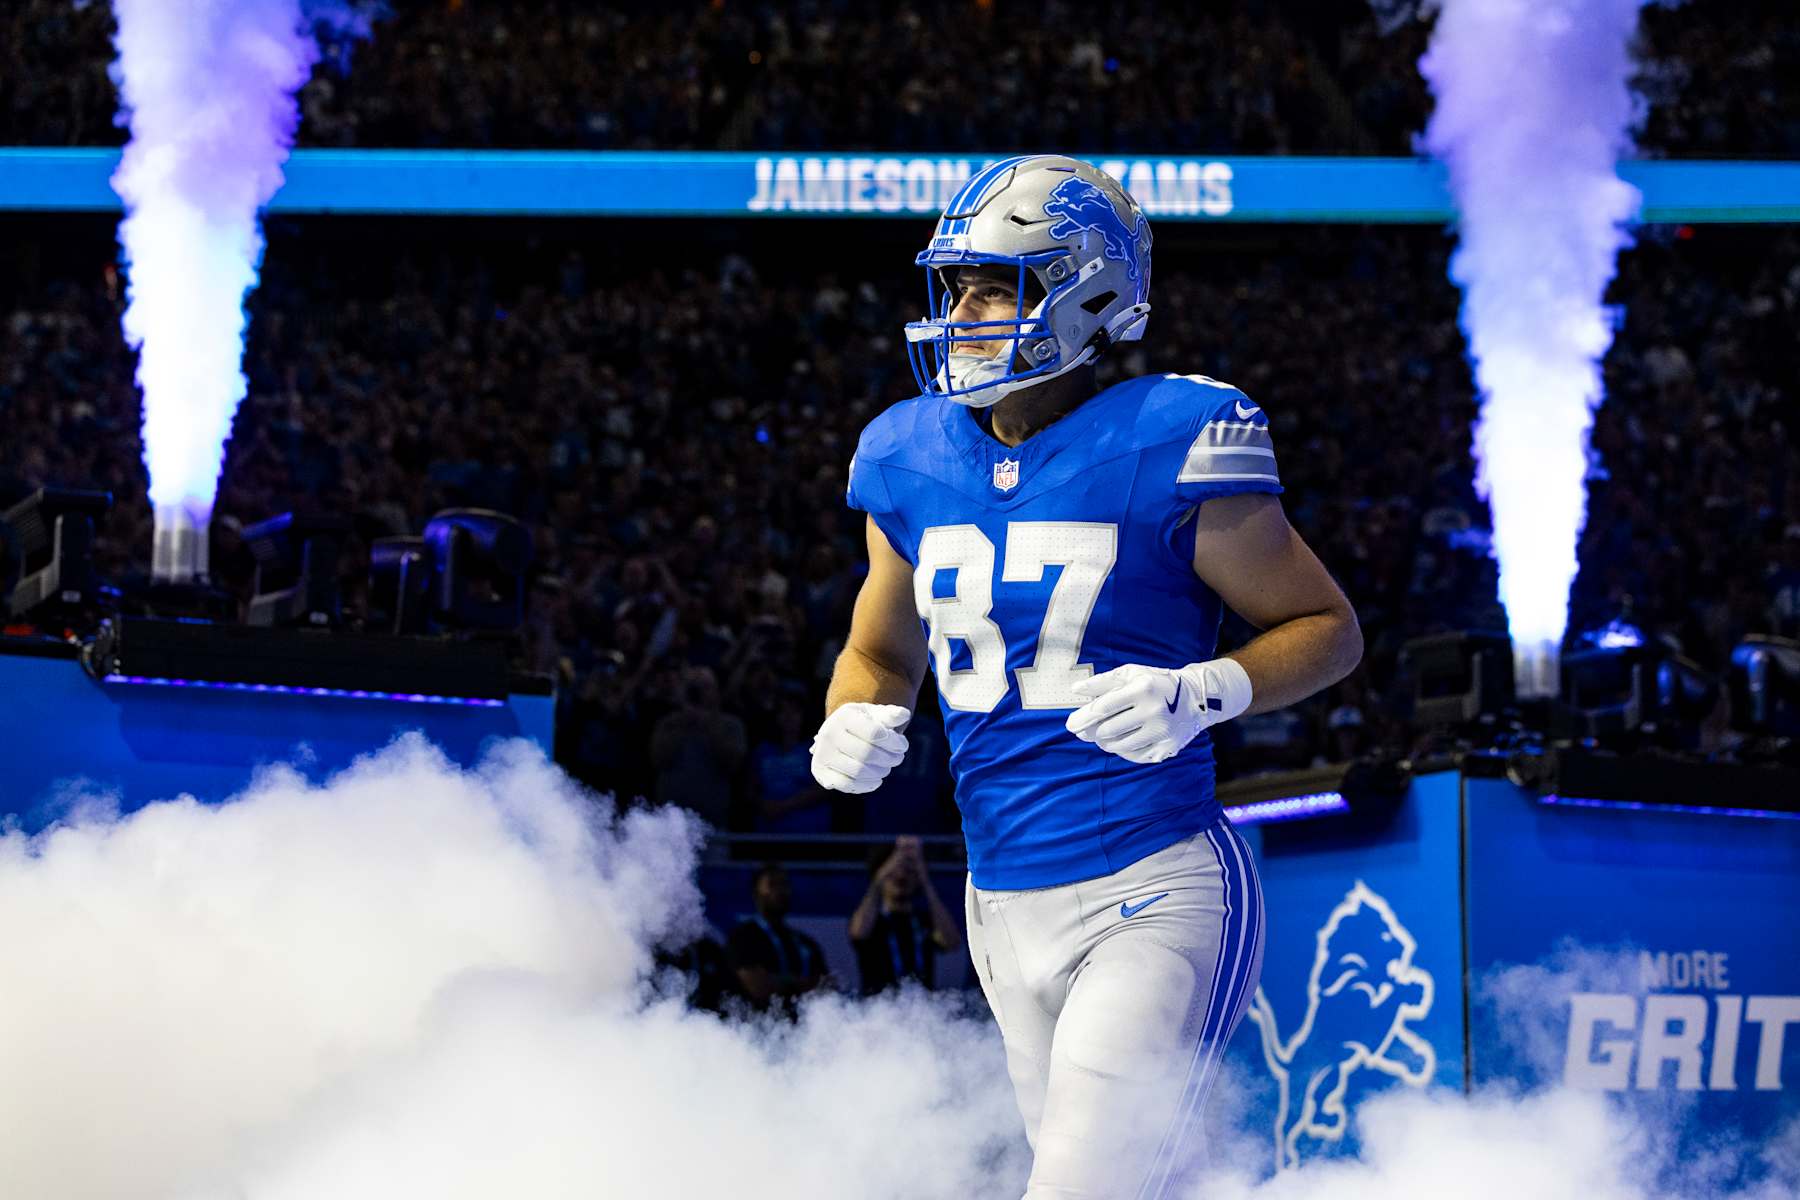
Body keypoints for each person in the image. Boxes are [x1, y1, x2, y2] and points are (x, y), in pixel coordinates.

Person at [809, 155, 1362, 1198]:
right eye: (958, 284)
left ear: (1088, 294)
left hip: (1150, 883)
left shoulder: (1170, 434)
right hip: (998, 902)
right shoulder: (905, 452)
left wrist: (1207, 689)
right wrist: (849, 717)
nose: (962, 310)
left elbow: (1326, 628)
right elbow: (882, 653)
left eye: (994, 286)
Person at [847, 835, 960, 996]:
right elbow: (859, 932)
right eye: (893, 873)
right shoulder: (873, 920)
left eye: (908, 872)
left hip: (920, 1011)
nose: (901, 877)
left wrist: (924, 879)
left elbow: (952, 942)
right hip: (877, 1013)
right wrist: (882, 874)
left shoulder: (924, 921)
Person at [725, 862, 827, 1017]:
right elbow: (758, 988)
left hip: (800, 1029)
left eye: (784, 884)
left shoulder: (804, 942)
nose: (780, 891)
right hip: (756, 1028)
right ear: (756, 893)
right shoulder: (742, 938)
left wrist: (779, 981)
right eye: (772, 884)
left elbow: (825, 988)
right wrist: (801, 984)